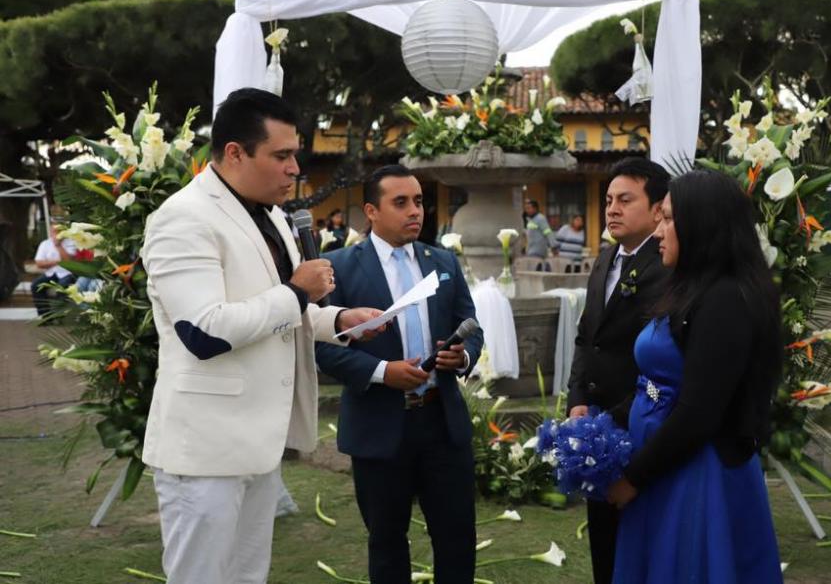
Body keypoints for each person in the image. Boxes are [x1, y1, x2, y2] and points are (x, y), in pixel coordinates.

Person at [140, 88, 381, 584]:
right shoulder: (182, 219)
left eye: (296, 154)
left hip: (260, 443)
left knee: (249, 577)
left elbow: (278, 313)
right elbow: (204, 331)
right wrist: (297, 293)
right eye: (282, 155)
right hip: (205, 448)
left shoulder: (271, 215)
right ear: (235, 152)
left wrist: (336, 322)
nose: (296, 168)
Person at [608, 169, 783, 583]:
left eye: (668, 218)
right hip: (668, 468)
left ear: (701, 226)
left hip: (698, 480)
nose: (659, 228)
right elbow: (657, 382)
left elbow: (700, 411)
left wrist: (632, 479)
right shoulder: (690, 287)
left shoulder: (725, 299)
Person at [316, 164, 484, 584]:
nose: (415, 211)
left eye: (419, 201)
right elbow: (322, 346)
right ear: (371, 211)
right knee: (388, 542)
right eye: (401, 202)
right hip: (379, 426)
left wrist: (461, 358)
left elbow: (471, 324)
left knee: (457, 538)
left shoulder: (441, 260)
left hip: (441, 423)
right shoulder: (338, 267)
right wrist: (381, 371)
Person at [566, 158, 670, 584]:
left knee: (639, 540)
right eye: (608, 200)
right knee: (603, 543)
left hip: (640, 422)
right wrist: (577, 402)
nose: (612, 209)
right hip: (595, 424)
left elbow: (664, 362)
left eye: (625, 200)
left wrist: (615, 417)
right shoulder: (605, 258)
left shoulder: (666, 267)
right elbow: (585, 336)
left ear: (658, 208)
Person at [30, 223, 77, 318]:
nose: (56, 234)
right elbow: (39, 263)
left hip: (66, 273)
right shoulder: (45, 244)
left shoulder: (71, 243)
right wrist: (57, 262)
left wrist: (59, 246)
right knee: (35, 285)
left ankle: (59, 315)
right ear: (51, 232)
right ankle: (45, 315)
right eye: (54, 231)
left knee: (62, 288)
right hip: (50, 273)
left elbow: (68, 262)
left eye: (58, 231)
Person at [523, 199, 558, 268]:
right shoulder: (530, 220)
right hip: (531, 251)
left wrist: (553, 246)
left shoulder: (540, 218)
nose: (527, 210)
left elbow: (548, 232)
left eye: (529, 208)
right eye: (526, 208)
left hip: (538, 251)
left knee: (539, 271)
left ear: (535, 208)